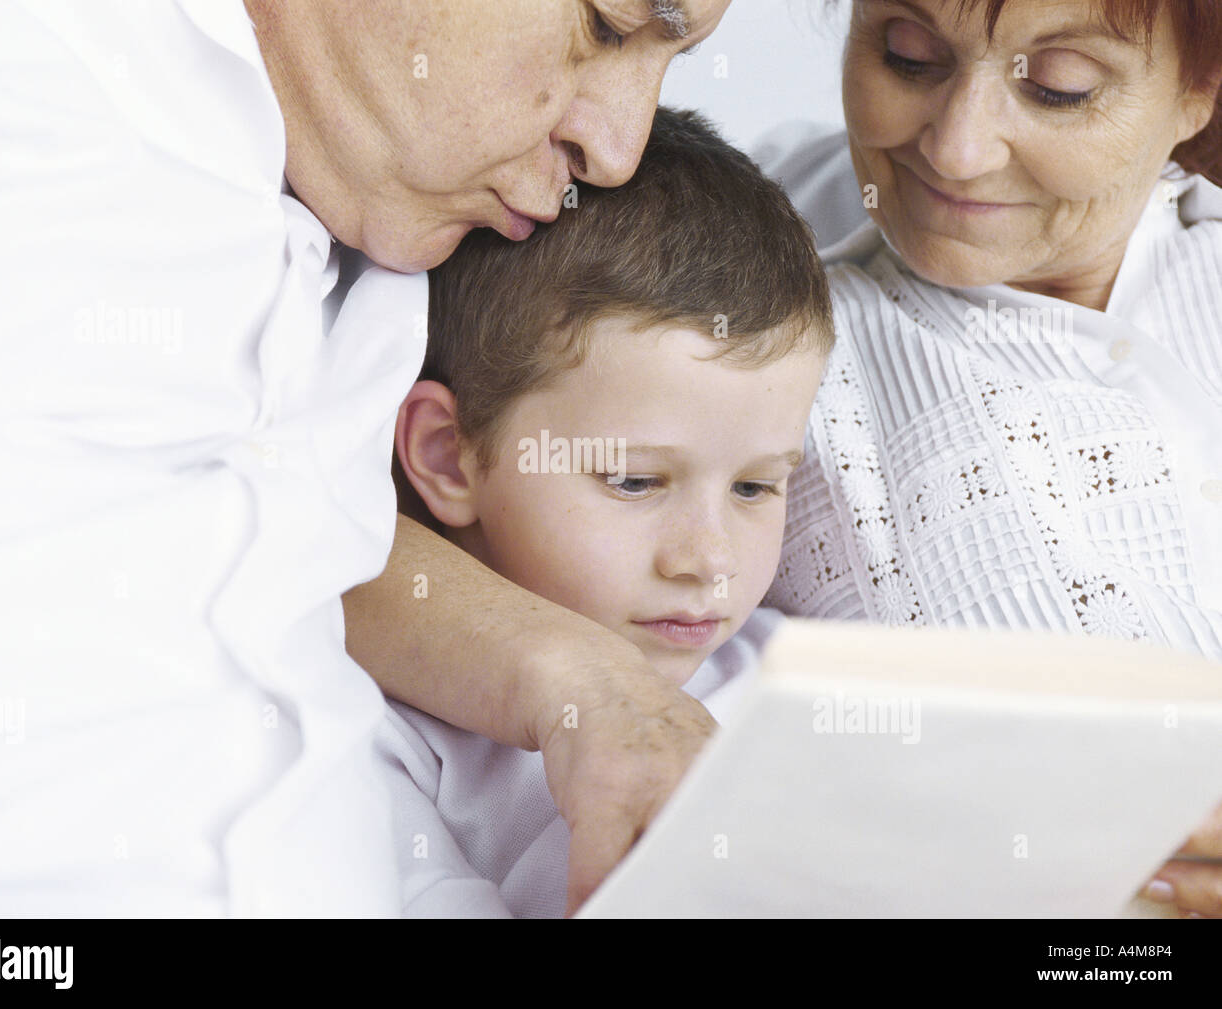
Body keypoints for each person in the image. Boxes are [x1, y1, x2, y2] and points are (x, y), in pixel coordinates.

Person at [348, 0, 1222, 918]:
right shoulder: (761, 331)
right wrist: (568, 679)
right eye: (909, 56)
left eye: (1060, 90)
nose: (959, 151)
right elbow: (310, 525)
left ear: (1198, 92)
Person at [0, 0, 732, 915]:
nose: (618, 150)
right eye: (609, 25)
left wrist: (574, 672)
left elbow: (323, 537)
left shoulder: (413, 244)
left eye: (678, 58)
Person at [375, 107, 834, 916]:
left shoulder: (800, 684)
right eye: (633, 482)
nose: (708, 559)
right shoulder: (396, 743)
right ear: (450, 455)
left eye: (755, 487)